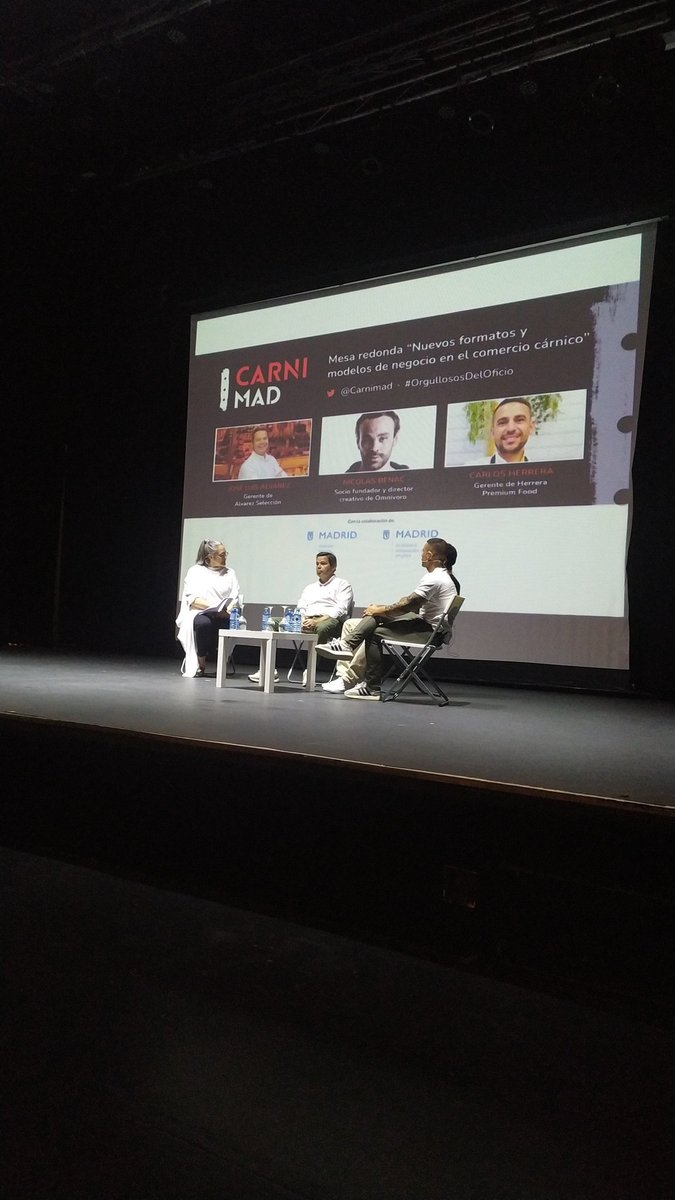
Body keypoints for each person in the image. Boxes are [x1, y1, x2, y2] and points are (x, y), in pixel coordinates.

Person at [319, 538, 458, 700]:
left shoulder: (435, 578)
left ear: (429, 555)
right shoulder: (442, 576)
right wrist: (380, 609)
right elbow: (409, 603)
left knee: (374, 632)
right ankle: (346, 646)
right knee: (375, 616)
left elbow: (407, 605)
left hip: (429, 632)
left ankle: (372, 687)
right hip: (429, 628)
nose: (421, 556)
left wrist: (379, 610)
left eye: (422, 553)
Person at [248, 551, 353, 683]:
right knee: (271, 621)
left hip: (330, 621)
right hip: (306, 619)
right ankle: (267, 669)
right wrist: (301, 619)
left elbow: (341, 609)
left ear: (333, 567)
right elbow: (301, 607)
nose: (319, 566)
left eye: (323, 563)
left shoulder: (342, 585)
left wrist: (318, 620)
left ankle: (310, 670)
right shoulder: (310, 587)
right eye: (317, 564)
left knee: (322, 627)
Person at [176, 539, 240, 676]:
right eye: (222, 554)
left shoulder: (230, 573)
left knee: (236, 623)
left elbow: (235, 597)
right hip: (200, 612)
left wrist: (227, 611)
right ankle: (201, 664)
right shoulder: (195, 571)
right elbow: (193, 600)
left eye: (225, 554)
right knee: (204, 624)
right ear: (210, 557)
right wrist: (215, 608)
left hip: (224, 613)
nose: (225, 557)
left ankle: (223, 662)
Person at [474, 398, 536, 465]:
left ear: (531, 427)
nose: (510, 428)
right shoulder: (471, 470)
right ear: (492, 432)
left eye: (519, 420)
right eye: (502, 422)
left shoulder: (540, 470)